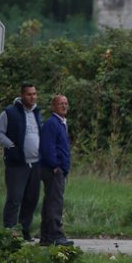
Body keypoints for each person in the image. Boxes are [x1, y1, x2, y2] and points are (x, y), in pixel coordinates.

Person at [0, 83, 42, 241]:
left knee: (31, 199)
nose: (32, 97)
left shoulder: (37, 113)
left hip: (35, 163)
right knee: (15, 198)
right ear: (22, 95)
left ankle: (25, 230)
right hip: (17, 164)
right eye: (29, 94)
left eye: (34, 94)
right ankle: (9, 231)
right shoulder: (10, 112)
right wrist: (11, 146)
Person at [39, 94, 74, 246]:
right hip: (53, 170)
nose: (64, 106)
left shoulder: (62, 123)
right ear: (53, 106)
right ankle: (56, 235)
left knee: (50, 202)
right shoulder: (52, 123)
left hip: (59, 170)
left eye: (66, 103)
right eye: (60, 103)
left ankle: (46, 236)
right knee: (55, 203)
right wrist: (55, 166)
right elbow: (47, 147)